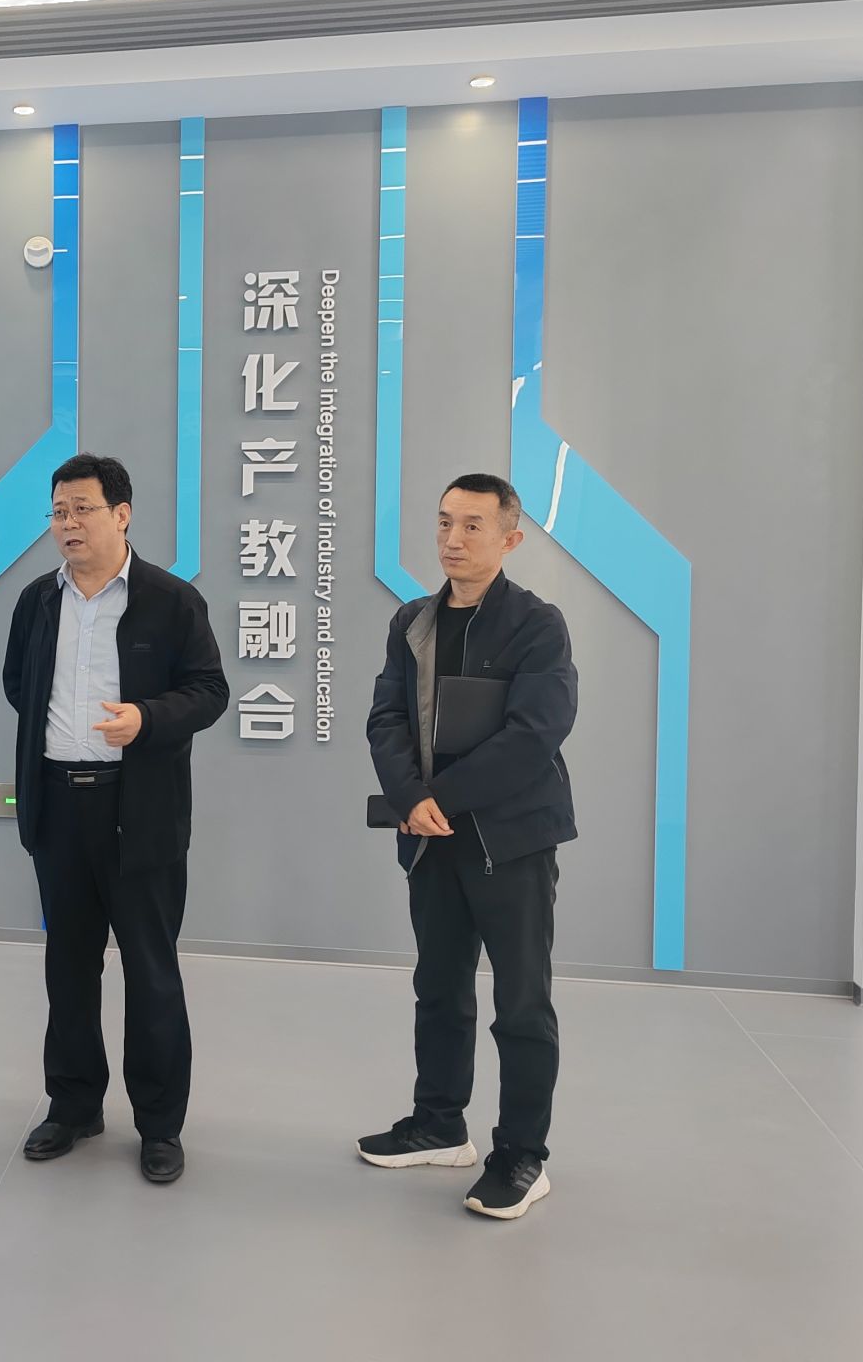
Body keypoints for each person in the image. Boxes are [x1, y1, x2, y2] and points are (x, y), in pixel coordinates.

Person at [1, 454, 228, 1185]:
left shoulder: (170, 600)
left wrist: (147, 719)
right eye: (58, 511)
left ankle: (160, 1125)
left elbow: (210, 690)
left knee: (151, 970)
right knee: (68, 965)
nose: (67, 524)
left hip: (140, 810)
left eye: (82, 509)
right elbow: (18, 684)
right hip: (58, 805)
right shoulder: (38, 601)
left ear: (121, 514)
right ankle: (73, 1106)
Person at [361, 472, 578, 1220]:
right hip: (431, 839)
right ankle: (439, 1124)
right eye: (444, 522)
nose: (453, 539)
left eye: (473, 526)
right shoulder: (413, 621)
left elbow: (534, 734)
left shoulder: (536, 624)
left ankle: (521, 1154)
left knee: (521, 1002)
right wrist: (410, 799)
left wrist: (438, 799)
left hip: (509, 840)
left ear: (510, 538)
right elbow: (386, 718)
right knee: (439, 986)